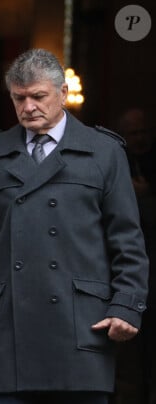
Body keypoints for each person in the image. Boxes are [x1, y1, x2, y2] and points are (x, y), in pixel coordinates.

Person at [0, 48, 149, 404]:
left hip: (81, 328)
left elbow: (127, 241)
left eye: (38, 96)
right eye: (19, 98)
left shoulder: (104, 152)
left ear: (62, 94)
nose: (28, 106)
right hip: (10, 331)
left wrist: (126, 306)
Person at [112, 107, 156, 404]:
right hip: (125, 267)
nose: (139, 139)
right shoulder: (115, 161)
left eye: (143, 132)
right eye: (132, 133)